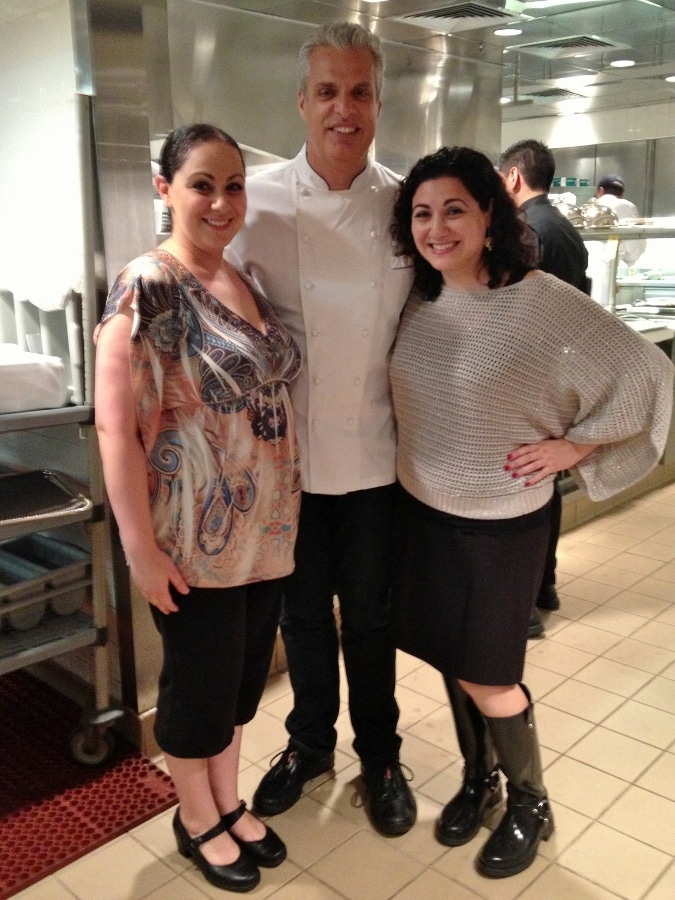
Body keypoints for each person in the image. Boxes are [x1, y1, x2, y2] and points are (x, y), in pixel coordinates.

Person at [389, 146, 673, 878]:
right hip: (423, 515)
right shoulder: (419, 297)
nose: (436, 226)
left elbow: (647, 370)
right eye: (422, 213)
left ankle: (528, 799)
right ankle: (477, 781)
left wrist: (572, 448)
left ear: (489, 215)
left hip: (500, 525)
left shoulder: (540, 300)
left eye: (454, 208)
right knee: (454, 664)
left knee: (490, 674)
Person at [94, 124, 302, 893]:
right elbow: (115, 425)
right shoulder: (148, 283)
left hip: (267, 533)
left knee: (242, 686)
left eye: (233, 185)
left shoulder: (241, 275)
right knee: (197, 690)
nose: (220, 201)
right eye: (202, 184)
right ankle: (195, 817)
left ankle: (226, 799)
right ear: (165, 189)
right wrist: (139, 549)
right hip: (191, 542)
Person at [227, 21, 417, 836]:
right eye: (329, 92)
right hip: (289, 464)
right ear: (303, 103)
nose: (345, 108)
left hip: (376, 457)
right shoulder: (254, 198)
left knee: (371, 616)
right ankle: (309, 744)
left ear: (379, 102)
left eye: (361, 91)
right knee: (301, 617)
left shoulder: (409, 201)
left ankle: (380, 754)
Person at [498, 138, 590, 637]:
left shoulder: (528, 230)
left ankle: (526, 604)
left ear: (513, 177)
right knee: (543, 484)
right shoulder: (565, 227)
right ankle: (545, 584)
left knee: (524, 482)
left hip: (530, 376)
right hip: (558, 373)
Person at [595, 173, 647, 267]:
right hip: (618, 268)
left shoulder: (592, 206)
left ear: (600, 191)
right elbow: (635, 250)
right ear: (622, 193)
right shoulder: (629, 207)